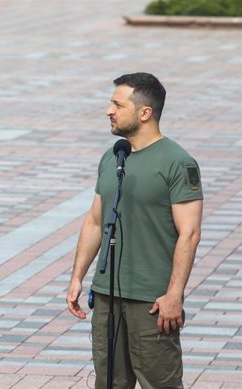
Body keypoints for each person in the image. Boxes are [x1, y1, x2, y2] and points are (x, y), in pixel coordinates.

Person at [66, 72, 203, 389]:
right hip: (107, 295)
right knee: (109, 382)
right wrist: (77, 277)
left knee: (160, 383)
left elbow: (190, 234)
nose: (108, 110)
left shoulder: (178, 163)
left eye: (117, 104)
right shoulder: (114, 157)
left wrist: (174, 295)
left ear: (145, 112)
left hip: (152, 301)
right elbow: (95, 221)